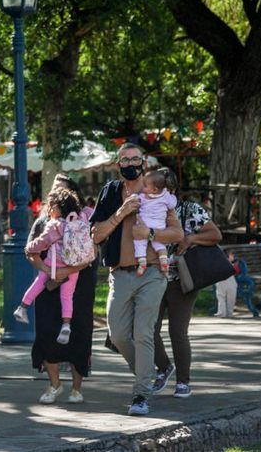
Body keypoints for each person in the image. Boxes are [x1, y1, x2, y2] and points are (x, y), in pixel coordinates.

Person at [91, 144, 183, 416]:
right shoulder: (110, 193)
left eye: (135, 159)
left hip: (152, 273)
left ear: (143, 162)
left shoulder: (156, 190)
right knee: (118, 335)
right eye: (124, 160)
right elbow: (96, 235)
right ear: (118, 165)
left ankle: (141, 393)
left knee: (143, 332)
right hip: (119, 273)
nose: (130, 163)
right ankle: (148, 372)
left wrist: (151, 233)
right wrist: (121, 212)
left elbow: (177, 234)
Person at [148, 168, 222, 400]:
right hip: (153, 279)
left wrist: (191, 238)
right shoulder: (148, 209)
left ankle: (183, 381)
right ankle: (163, 368)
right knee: (148, 329)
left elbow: (215, 234)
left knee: (177, 331)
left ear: (169, 190)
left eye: (157, 189)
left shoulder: (190, 209)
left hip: (182, 279)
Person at [26, 174, 96, 405]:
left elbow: (92, 253)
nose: (54, 194)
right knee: (47, 332)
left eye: (60, 190)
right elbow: (30, 251)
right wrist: (47, 269)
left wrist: (68, 271)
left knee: (79, 333)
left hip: (80, 285)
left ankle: (77, 389)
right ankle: (54, 384)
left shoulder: (85, 220)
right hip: (49, 285)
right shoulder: (42, 222)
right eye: (52, 190)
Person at [15, 187, 89, 345]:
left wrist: (30, 248)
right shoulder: (79, 220)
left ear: (59, 207)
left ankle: (22, 308)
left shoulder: (55, 225)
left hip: (53, 264)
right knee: (67, 296)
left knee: (39, 283)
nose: (48, 209)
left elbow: (43, 242)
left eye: (51, 206)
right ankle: (66, 325)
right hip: (73, 264)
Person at [133, 170, 177, 276]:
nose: (142, 188)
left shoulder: (143, 197)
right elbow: (172, 205)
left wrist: (134, 196)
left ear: (154, 189)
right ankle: (164, 262)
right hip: (158, 227)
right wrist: (172, 195)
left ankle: (142, 262)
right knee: (160, 245)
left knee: (139, 242)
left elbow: (135, 199)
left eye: (145, 185)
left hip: (144, 224)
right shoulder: (166, 196)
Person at [215, 251, 241, 318]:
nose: (233, 257)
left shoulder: (218, 265)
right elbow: (237, 272)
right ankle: (229, 313)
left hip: (220, 283)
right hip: (231, 284)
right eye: (232, 256)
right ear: (227, 257)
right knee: (231, 300)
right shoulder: (233, 266)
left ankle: (222, 313)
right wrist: (236, 265)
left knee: (221, 298)